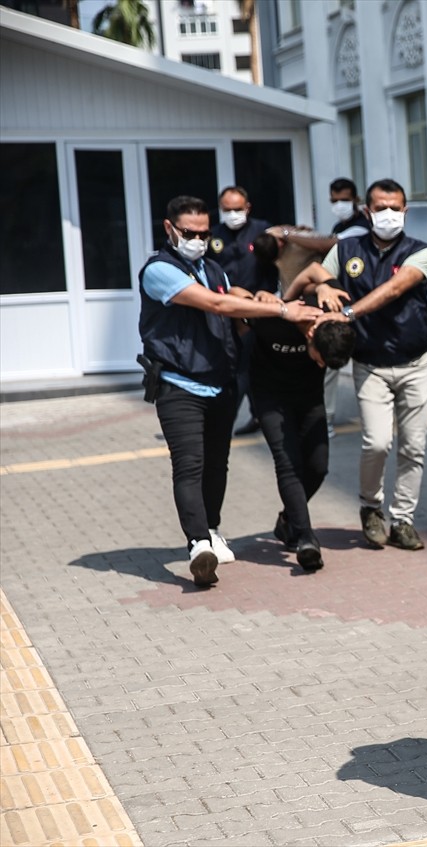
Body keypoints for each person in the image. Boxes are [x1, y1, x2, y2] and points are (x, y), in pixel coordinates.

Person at [137, 195, 320, 587]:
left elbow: (232, 303)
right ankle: (198, 544)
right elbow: (216, 305)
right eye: (190, 233)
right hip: (178, 384)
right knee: (190, 464)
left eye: (204, 233)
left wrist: (260, 301)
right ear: (169, 229)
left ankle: (212, 528)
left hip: (219, 382)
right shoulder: (159, 270)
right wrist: (282, 310)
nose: (198, 240)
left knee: (217, 464)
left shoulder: (212, 267)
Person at [293, 179, 427, 553]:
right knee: (376, 442)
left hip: (415, 363)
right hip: (370, 364)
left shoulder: (421, 252)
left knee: (414, 447)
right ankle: (371, 508)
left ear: (405, 211)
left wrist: (347, 312)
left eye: (395, 208)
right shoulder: (346, 249)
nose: (388, 214)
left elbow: (395, 288)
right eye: (380, 207)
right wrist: (322, 288)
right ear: (367, 211)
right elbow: (316, 276)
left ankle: (403, 519)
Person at [244, 231, 357, 572]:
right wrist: (271, 303)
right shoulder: (276, 321)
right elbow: (241, 300)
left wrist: (324, 285)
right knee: (288, 462)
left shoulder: (331, 312)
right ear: (310, 337)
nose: (320, 366)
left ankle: (288, 519)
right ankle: (306, 537)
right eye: (319, 359)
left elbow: (316, 273)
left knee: (318, 467)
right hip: (269, 396)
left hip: (308, 398)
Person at [276, 178, 372, 439]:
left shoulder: (361, 227)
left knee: (332, 364)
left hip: (348, 305)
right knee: (326, 364)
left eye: (344, 200)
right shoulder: (340, 226)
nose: (339, 205)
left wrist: (288, 235)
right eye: (334, 200)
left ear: (356, 200)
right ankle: (319, 417)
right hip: (335, 300)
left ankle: (325, 418)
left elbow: (325, 246)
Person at [208, 186, 273, 436]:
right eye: (227, 209)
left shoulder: (262, 231)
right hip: (225, 310)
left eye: (237, 209)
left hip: (256, 310)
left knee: (245, 367)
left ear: (247, 208)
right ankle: (255, 415)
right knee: (238, 366)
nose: (233, 214)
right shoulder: (213, 235)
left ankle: (226, 421)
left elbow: (276, 264)